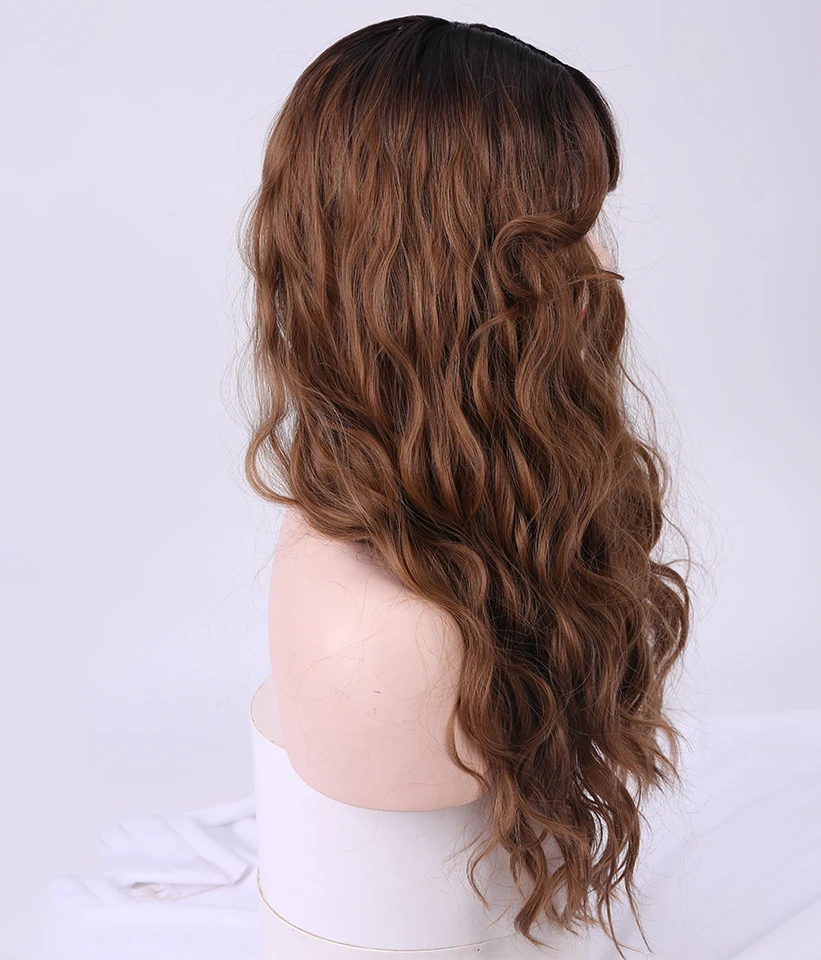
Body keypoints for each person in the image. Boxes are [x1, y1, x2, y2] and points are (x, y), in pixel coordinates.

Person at [238, 15, 692, 959]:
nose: (606, 265)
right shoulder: (387, 649)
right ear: (447, 275)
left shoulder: (449, 513)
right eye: (566, 232)